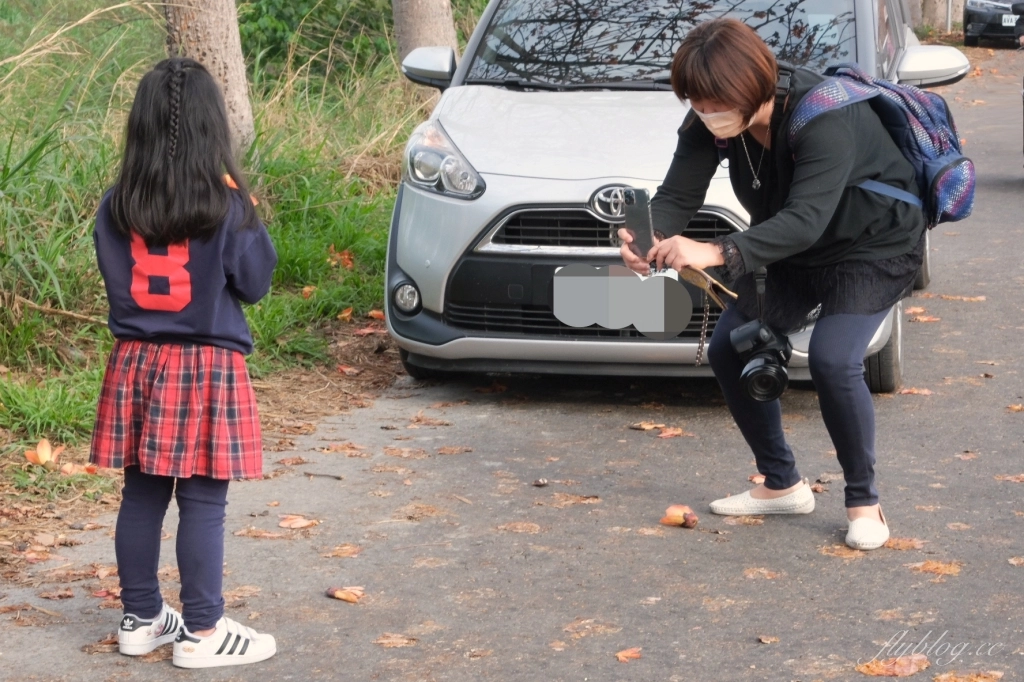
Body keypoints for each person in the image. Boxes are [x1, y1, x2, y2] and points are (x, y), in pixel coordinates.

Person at [619, 18, 925, 550]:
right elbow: (676, 194)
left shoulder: (825, 114)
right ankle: (781, 483)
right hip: (792, 248)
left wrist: (714, 251)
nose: (706, 114)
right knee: (729, 347)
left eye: (715, 104)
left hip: (873, 246)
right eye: (695, 103)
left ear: (754, 89)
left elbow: (805, 217)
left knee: (833, 359)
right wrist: (650, 237)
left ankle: (864, 502)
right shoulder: (711, 119)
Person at [90, 57, 279, 667]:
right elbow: (254, 284)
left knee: (141, 492)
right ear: (211, 129)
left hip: (136, 361)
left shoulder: (117, 205)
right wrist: (248, 210)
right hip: (206, 365)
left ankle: (141, 617)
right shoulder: (227, 206)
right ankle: (202, 630)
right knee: (203, 498)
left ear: (139, 128)